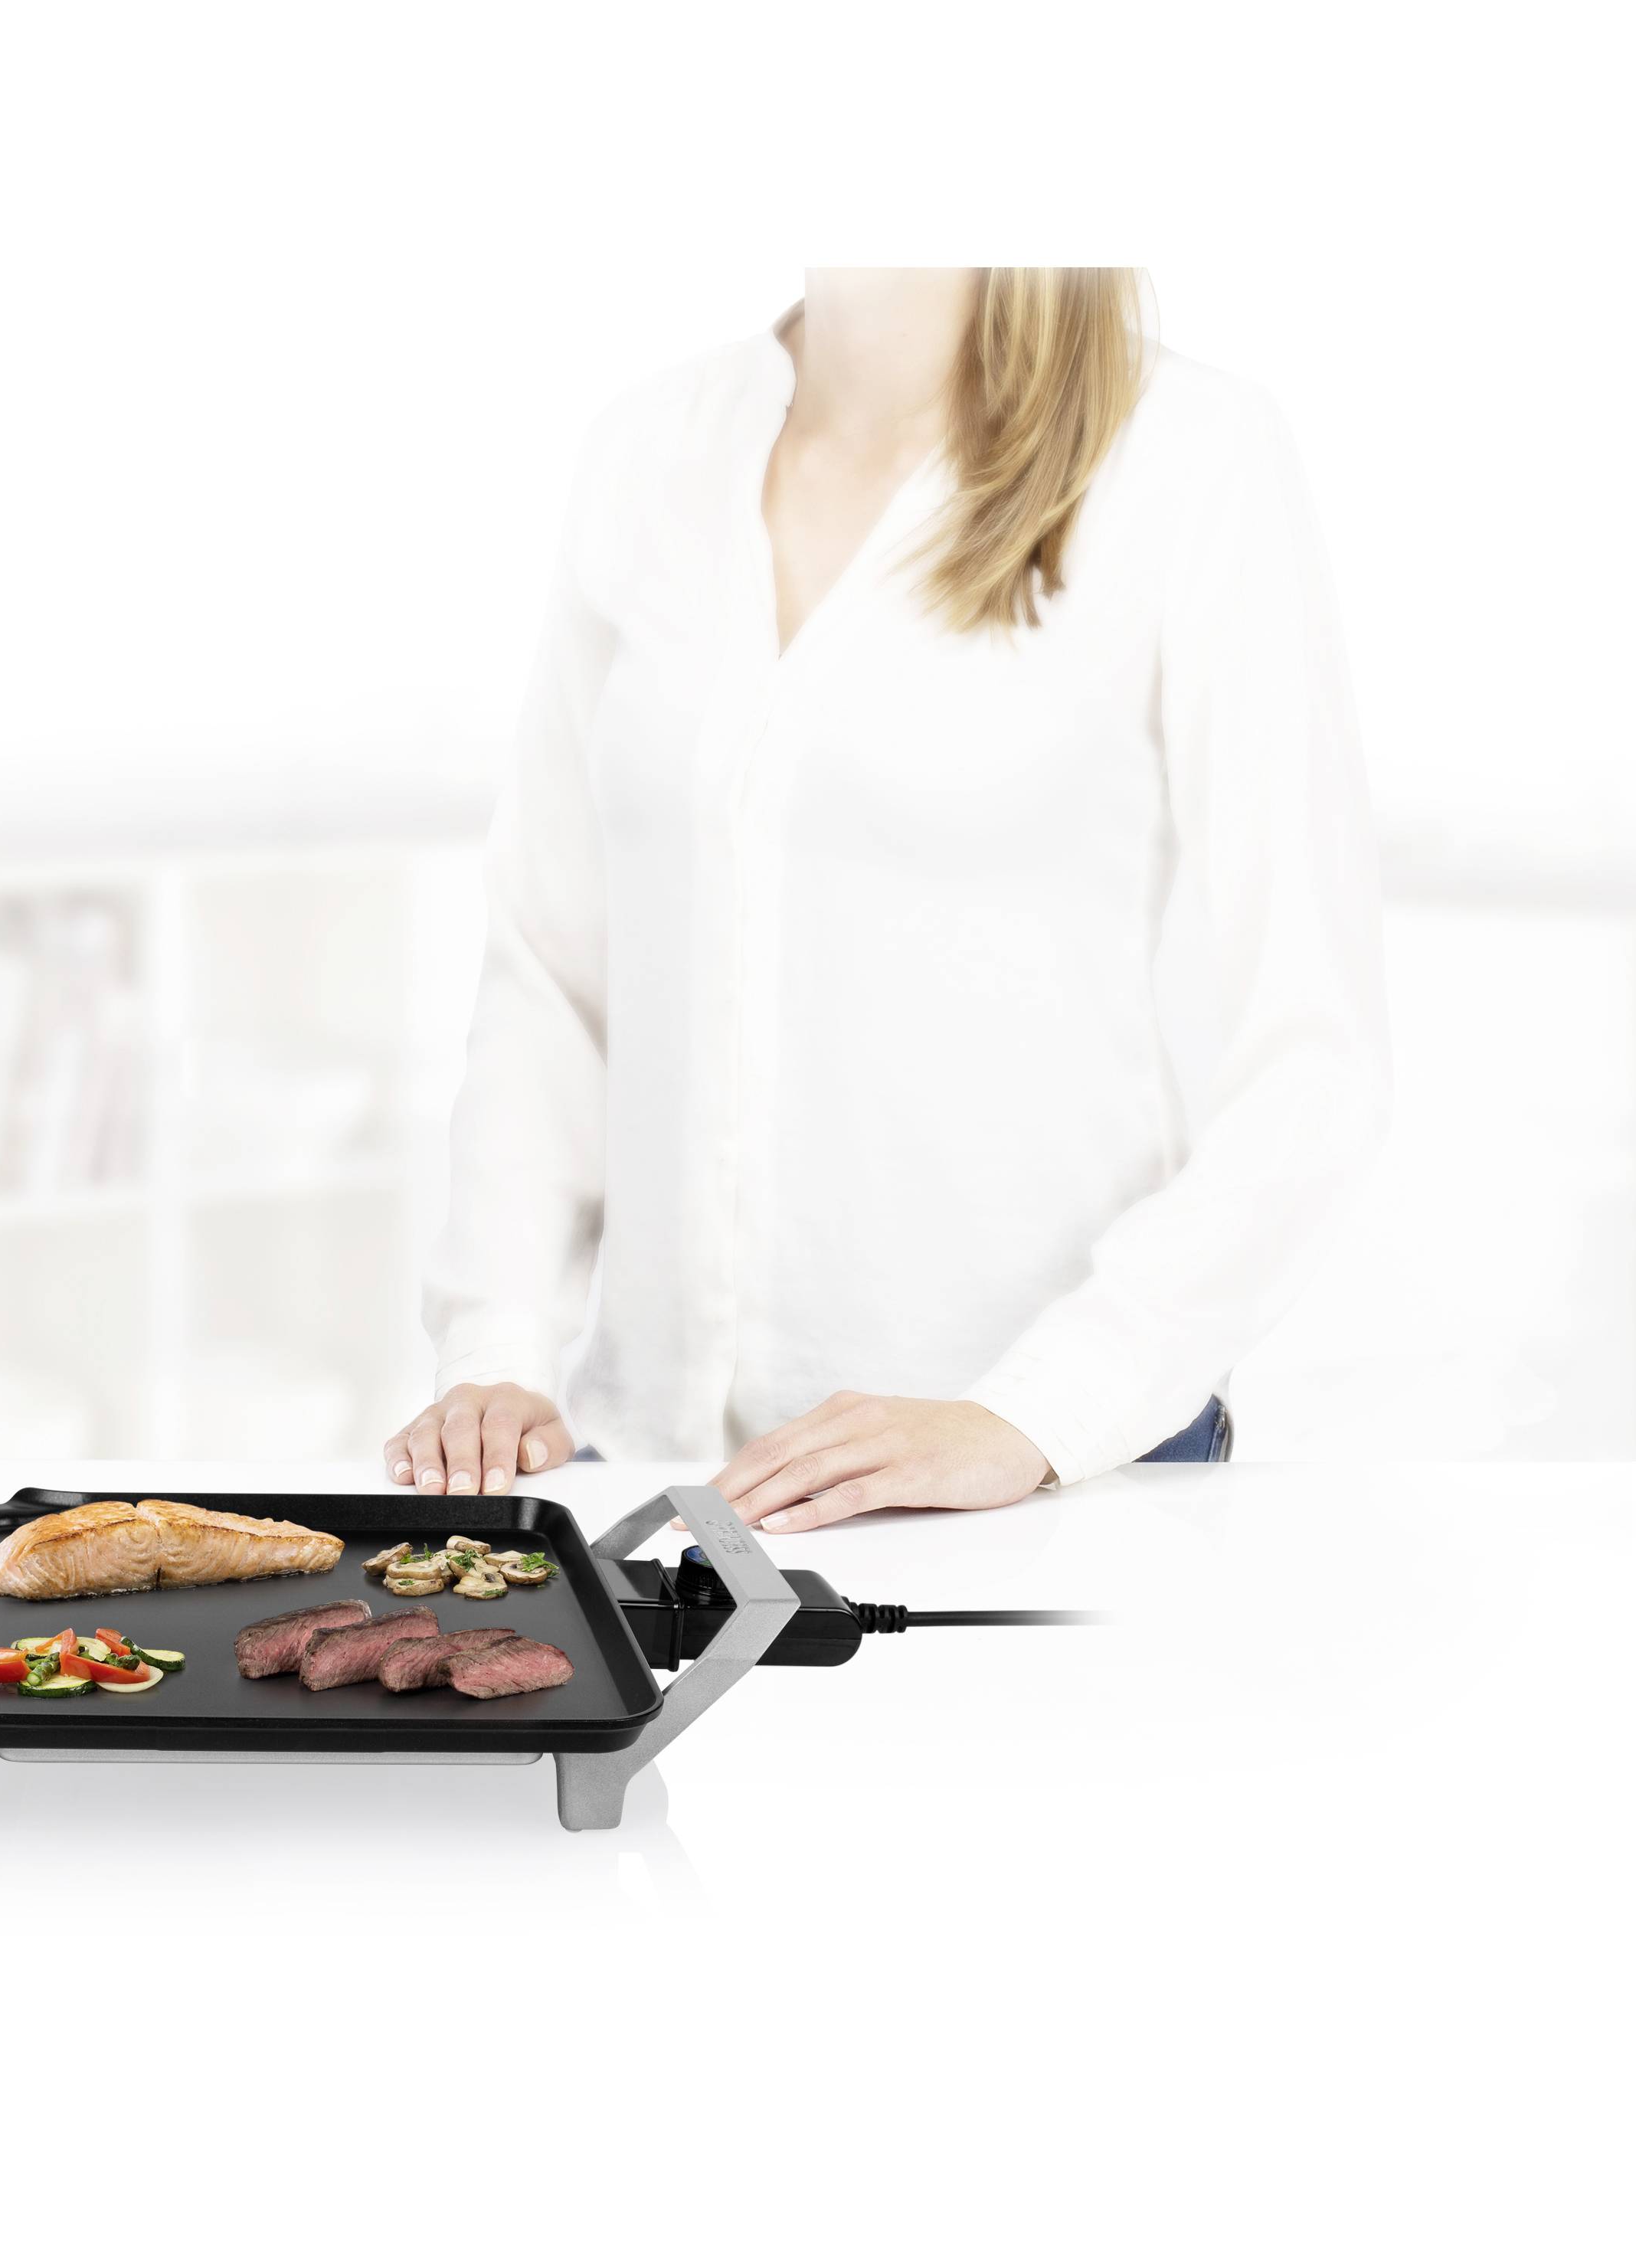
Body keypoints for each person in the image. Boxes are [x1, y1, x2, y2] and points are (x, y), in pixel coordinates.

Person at [384, 267, 1388, 1533]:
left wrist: (1028, 1416)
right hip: (648, 1482)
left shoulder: (1187, 457)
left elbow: (1312, 1056)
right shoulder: (649, 448)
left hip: (1050, 1489)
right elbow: (554, 969)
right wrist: (499, 1341)